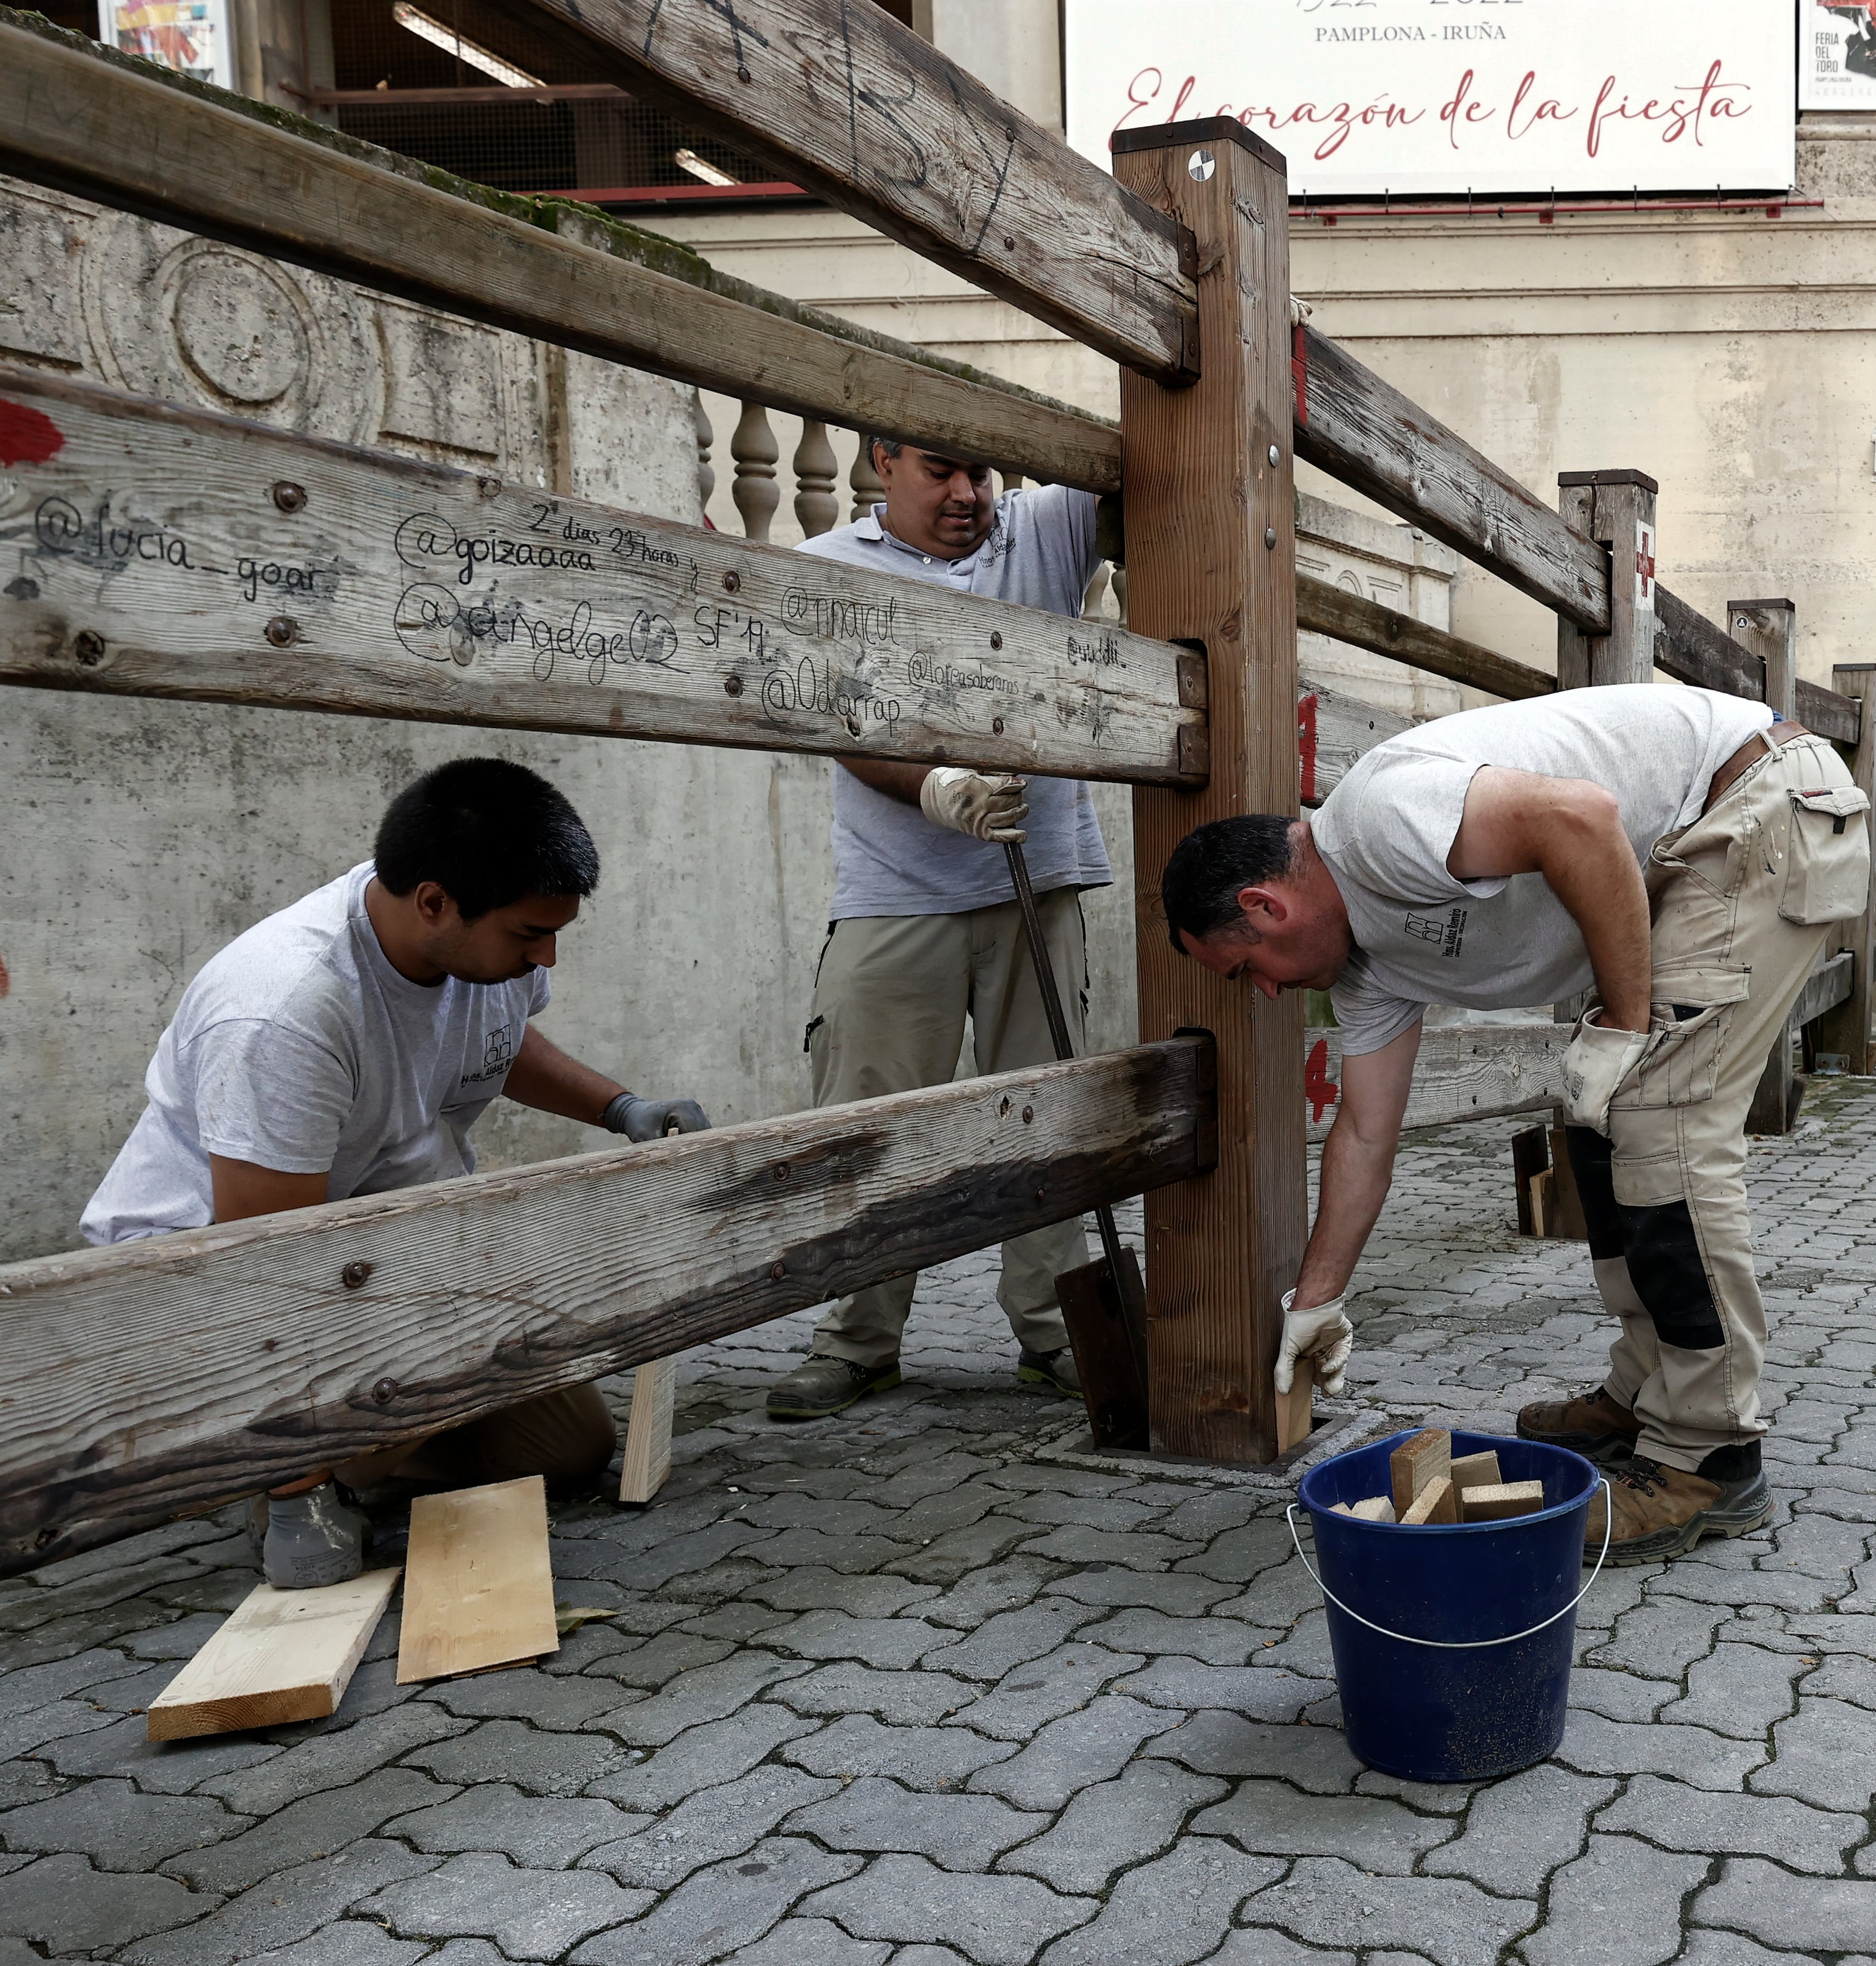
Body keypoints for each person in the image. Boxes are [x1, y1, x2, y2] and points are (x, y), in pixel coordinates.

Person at [1160, 684, 1873, 1563]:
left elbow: (1579, 816)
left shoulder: (1377, 824)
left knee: (1661, 1124)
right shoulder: (1366, 969)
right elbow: (1364, 1134)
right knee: (1598, 1118)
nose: (1265, 992)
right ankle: (1646, 1388)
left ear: (1267, 907)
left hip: (1755, 801)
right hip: (1695, 841)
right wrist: (1318, 1301)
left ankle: (1708, 1455)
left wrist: (1623, 1021)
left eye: (1247, 970)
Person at [81, 759, 709, 1589]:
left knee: (566, 1448)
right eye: (530, 935)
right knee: (384, 1375)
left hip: (371, 1262)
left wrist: (620, 1106)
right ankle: (270, 1466)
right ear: (434, 902)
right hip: (201, 1306)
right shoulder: (286, 1011)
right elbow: (265, 1269)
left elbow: (500, 1040)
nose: (547, 955)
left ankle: (362, 1447)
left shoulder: (481, 952)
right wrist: (298, 1497)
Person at [764, 437, 1111, 1422]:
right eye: (939, 471)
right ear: (881, 461)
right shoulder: (830, 569)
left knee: (1045, 1119)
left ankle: (1055, 1335)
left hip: (1034, 887)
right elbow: (829, 713)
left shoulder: (1040, 532)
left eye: (983, 471)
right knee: (865, 1121)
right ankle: (858, 1343)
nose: (966, 495)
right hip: (892, 889)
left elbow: (1137, 456)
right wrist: (931, 785)